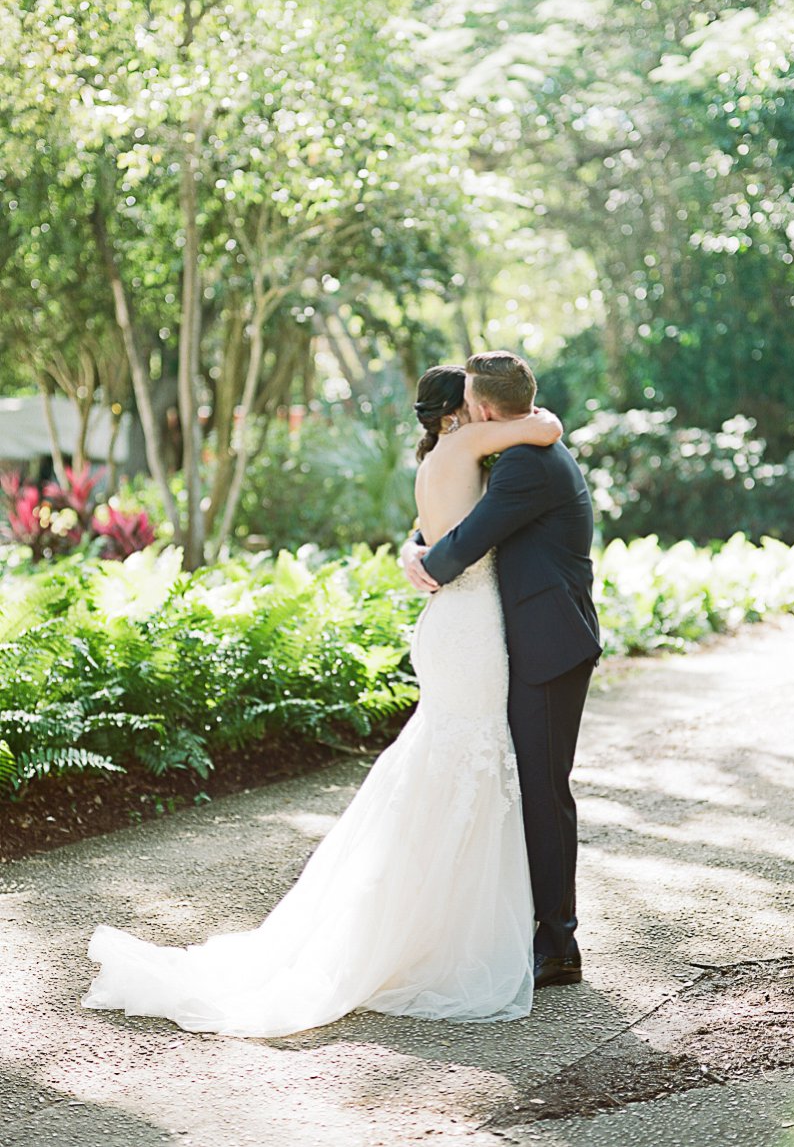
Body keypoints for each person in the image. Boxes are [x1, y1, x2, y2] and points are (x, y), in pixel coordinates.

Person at [81, 364, 564, 1037]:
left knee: (447, 760)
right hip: (471, 630)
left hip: (450, 626)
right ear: (467, 411)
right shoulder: (463, 447)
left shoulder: (434, 458)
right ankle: (438, 933)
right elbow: (543, 424)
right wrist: (536, 419)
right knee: (470, 757)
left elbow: (440, 533)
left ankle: (423, 920)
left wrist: (412, 550)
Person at [401, 351, 601, 989]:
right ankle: (529, 929)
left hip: (548, 645)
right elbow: (454, 519)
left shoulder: (524, 464)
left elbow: (465, 541)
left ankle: (558, 945)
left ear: (481, 410)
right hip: (527, 638)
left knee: (543, 793)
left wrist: (426, 562)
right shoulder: (520, 451)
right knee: (527, 788)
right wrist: (420, 544)